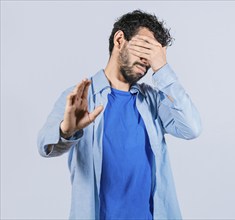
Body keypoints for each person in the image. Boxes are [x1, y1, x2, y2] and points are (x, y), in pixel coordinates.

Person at [37, 10, 202, 220]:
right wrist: (67, 131)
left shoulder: (153, 100)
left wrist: (163, 70)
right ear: (120, 39)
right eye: (145, 47)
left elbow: (192, 128)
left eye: (154, 54)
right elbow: (45, 146)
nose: (148, 59)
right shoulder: (81, 97)